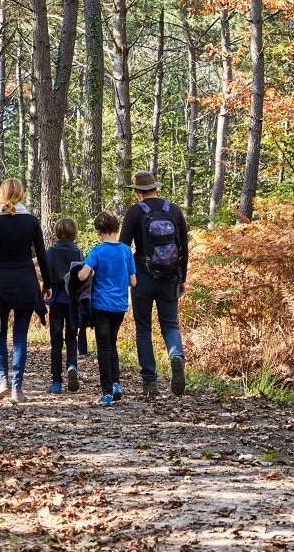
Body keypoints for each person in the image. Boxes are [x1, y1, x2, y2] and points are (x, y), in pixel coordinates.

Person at [0, 178, 51, 403]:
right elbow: (42, 256)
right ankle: (17, 389)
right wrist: (48, 284)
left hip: (1, 285)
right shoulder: (32, 222)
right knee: (21, 337)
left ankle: (2, 380)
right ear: (21, 194)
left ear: (1, 195)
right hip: (26, 283)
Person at [119, 169, 189, 397]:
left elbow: (123, 248)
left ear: (137, 191)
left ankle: (150, 383)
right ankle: (176, 355)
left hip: (142, 277)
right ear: (155, 187)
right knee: (170, 325)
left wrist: (128, 276)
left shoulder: (134, 212)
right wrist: (182, 278)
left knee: (143, 329)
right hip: (170, 276)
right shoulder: (174, 210)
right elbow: (184, 249)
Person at [76, 209, 134, 407]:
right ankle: (116, 384)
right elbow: (133, 281)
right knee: (112, 343)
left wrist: (77, 273)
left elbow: (83, 275)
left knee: (103, 348)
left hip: (101, 305)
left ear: (99, 232)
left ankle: (107, 393)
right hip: (119, 306)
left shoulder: (97, 251)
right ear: (117, 229)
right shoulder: (126, 250)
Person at [43, 217, 87, 393]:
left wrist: (43, 282)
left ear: (57, 231)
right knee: (71, 338)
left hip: (55, 300)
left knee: (55, 342)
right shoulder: (78, 252)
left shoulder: (51, 252)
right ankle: (72, 366)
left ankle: (56, 382)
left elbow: (42, 269)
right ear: (74, 232)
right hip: (73, 301)